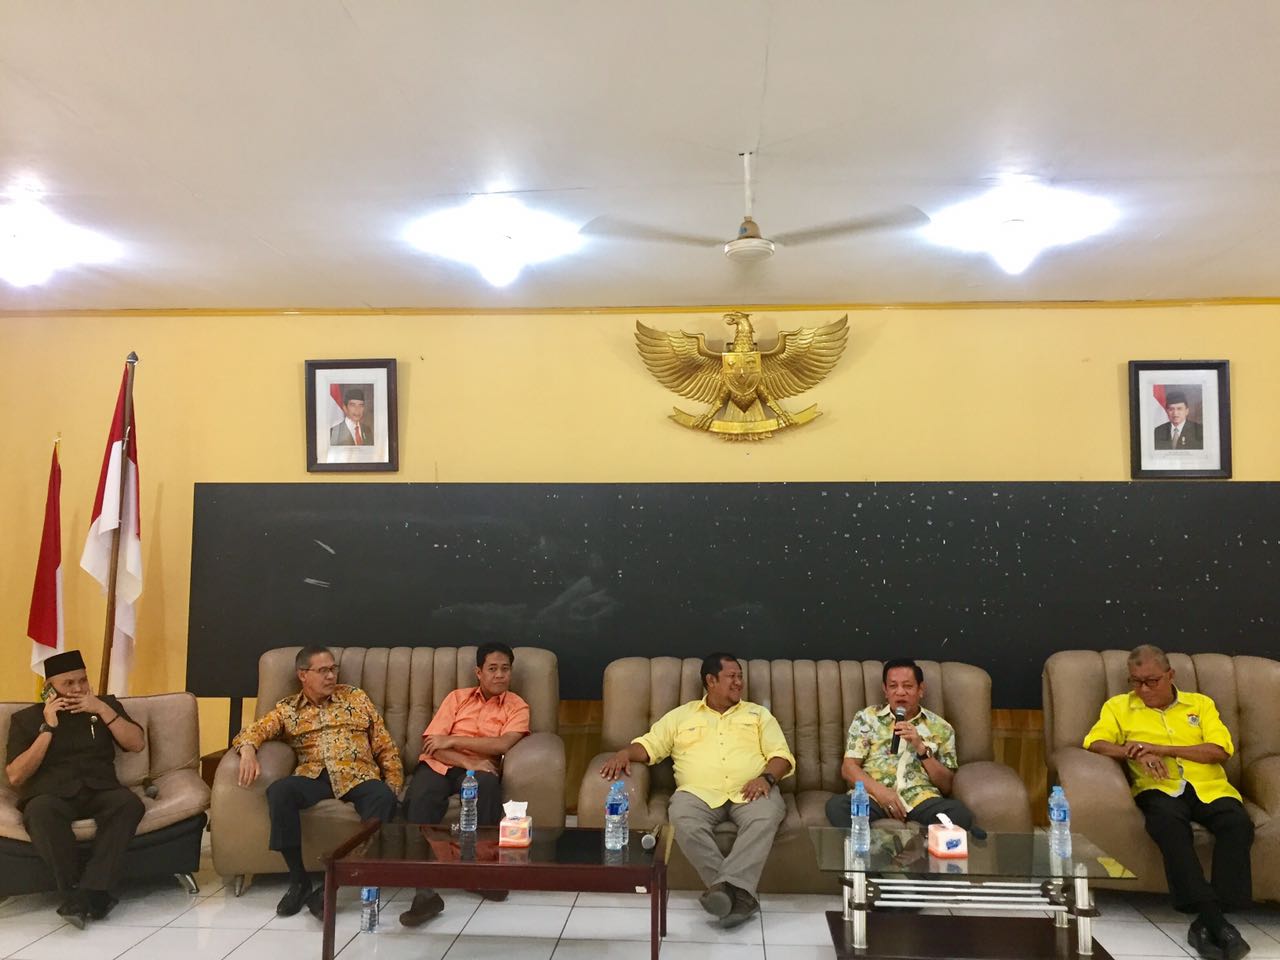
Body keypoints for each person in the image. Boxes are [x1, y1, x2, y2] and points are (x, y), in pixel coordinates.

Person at [599, 652, 794, 929]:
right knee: (682, 818)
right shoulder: (681, 716)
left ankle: (724, 893)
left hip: (751, 790)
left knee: (766, 816)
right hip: (697, 794)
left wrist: (766, 779)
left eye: (740, 677)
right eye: (732, 677)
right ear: (711, 681)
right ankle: (738, 895)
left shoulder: (758, 715)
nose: (739, 682)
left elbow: (781, 756)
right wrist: (624, 753)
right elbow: (650, 745)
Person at [1084, 644, 1253, 960]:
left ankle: (1206, 922)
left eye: (1152, 681)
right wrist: (1134, 752)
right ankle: (1216, 922)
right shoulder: (1119, 707)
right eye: (1136, 682)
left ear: (1170, 675)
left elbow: (1219, 750)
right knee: (1168, 825)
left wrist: (1162, 749)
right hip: (1158, 787)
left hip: (1209, 787)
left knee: (1238, 824)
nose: (1144, 689)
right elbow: (1095, 742)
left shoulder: (1200, 704)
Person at [232, 646, 401, 919]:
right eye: (323, 671)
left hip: (358, 774)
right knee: (280, 792)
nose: (331, 676)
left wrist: (393, 781)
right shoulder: (288, 709)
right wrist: (248, 750)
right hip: (314, 776)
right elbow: (255, 730)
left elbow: (384, 744)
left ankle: (334, 883)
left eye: (333, 669)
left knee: (383, 797)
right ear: (303, 675)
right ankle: (299, 881)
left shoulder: (355, 697)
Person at [4, 650, 146, 928]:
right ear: (49, 689)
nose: (78, 688)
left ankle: (85, 894)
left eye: (82, 680)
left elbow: (137, 743)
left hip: (100, 788)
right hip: (52, 794)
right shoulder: (26, 719)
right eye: (68, 683)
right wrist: (48, 728)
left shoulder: (105, 706)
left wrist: (103, 710)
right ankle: (85, 894)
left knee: (129, 804)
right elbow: (16, 776)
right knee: (40, 811)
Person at [398, 642, 531, 927]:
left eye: (505, 669)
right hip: (442, 764)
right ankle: (424, 890)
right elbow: (432, 745)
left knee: (487, 786)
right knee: (421, 798)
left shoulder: (517, 706)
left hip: (479, 769)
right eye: (492, 669)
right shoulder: (457, 698)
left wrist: (453, 740)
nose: (499, 675)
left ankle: (480, 874)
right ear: (478, 672)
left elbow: (502, 744)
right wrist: (465, 760)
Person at [825, 658, 975, 831]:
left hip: (921, 798)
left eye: (908, 686)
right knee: (838, 807)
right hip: (874, 797)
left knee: (959, 814)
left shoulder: (941, 727)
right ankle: (874, 847)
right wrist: (881, 793)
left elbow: (947, 785)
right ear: (885, 690)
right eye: (893, 686)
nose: (900, 692)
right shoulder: (867, 718)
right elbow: (849, 768)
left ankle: (920, 846)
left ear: (921, 690)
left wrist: (921, 748)